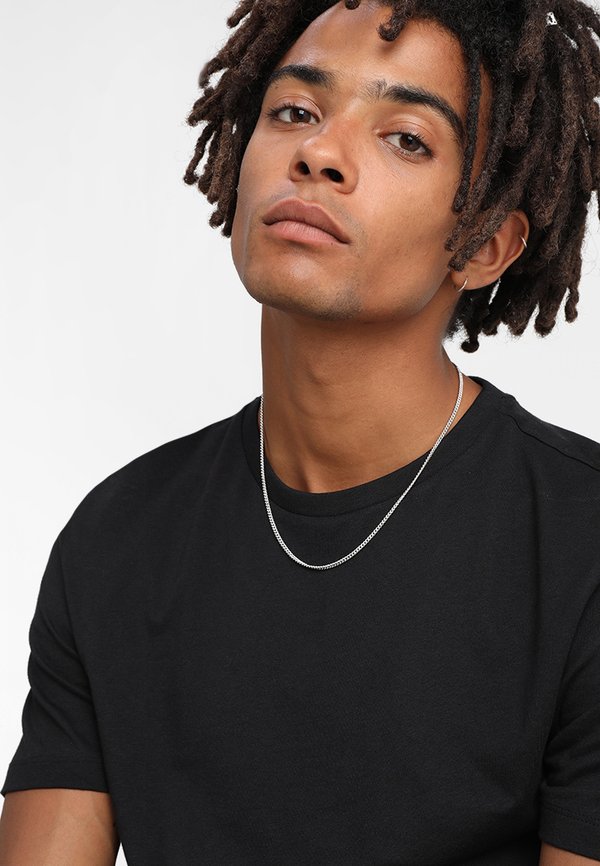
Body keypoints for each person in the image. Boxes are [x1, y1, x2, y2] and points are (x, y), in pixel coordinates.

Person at [1, 0, 600, 863]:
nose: (319, 152)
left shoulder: (579, 545)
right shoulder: (117, 541)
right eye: (293, 111)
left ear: (485, 246)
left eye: (406, 138)